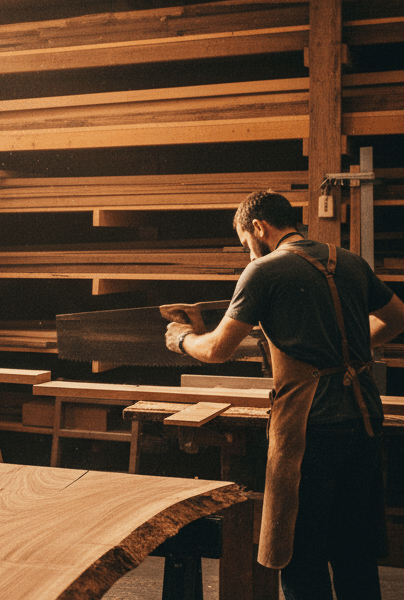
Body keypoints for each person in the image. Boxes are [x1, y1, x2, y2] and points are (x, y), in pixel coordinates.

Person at [164, 190, 404, 600]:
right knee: (354, 556)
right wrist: (352, 354)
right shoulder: (348, 260)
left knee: (301, 558)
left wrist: (184, 338)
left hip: (311, 429)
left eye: (245, 244)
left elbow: (219, 349)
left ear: (259, 227)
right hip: (364, 420)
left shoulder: (264, 271)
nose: (248, 255)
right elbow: (398, 318)